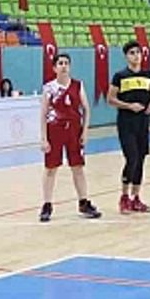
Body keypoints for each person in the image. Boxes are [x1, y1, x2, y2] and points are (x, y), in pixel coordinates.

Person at [40, 53, 101, 221]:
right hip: (54, 130)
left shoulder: (78, 85)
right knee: (51, 168)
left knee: (78, 167)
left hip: (74, 130)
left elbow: (86, 109)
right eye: (60, 63)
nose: (64, 66)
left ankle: (84, 202)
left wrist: (85, 131)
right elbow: (43, 114)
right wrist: (44, 138)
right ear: (54, 68)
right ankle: (47, 205)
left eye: (66, 63)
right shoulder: (49, 88)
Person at [107, 41, 150, 214]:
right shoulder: (120, 76)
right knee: (132, 158)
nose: (136, 56)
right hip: (126, 122)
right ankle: (124, 197)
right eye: (132, 53)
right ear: (126, 56)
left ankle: (136, 198)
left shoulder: (147, 75)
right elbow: (110, 99)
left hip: (142, 122)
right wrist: (129, 106)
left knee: (141, 159)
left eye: (138, 52)